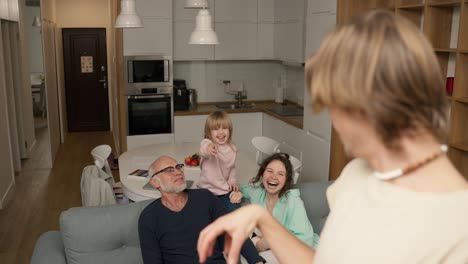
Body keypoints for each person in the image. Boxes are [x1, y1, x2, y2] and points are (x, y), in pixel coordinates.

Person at [197, 10, 468, 264]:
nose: (338, 125)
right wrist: (261, 219)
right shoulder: (355, 174)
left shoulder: (456, 226)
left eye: (341, 108)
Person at [138, 155, 265, 264]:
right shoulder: (149, 217)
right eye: (169, 170)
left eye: (178, 167)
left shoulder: (205, 197)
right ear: (155, 182)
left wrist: (257, 261)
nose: (178, 172)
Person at [231, 152, 319, 251]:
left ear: (286, 180)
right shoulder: (258, 193)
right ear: (262, 174)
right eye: (269, 171)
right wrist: (238, 192)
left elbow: (305, 240)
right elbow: (241, 187)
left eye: (280, 174)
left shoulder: (292, 201)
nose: (273, 177)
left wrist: (268, 243)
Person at [197, 110, 240, 211]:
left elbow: (232, 167)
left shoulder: (232, 149)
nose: (221, 132)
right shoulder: (207, 144)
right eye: (216, 129)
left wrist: (232, 180)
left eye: (224, 128)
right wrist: (209, 147)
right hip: (206, 189)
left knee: (235, 208)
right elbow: (204, 148)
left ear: (230, 131)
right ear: (209, 133)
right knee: (203, 211)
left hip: (223, 190)